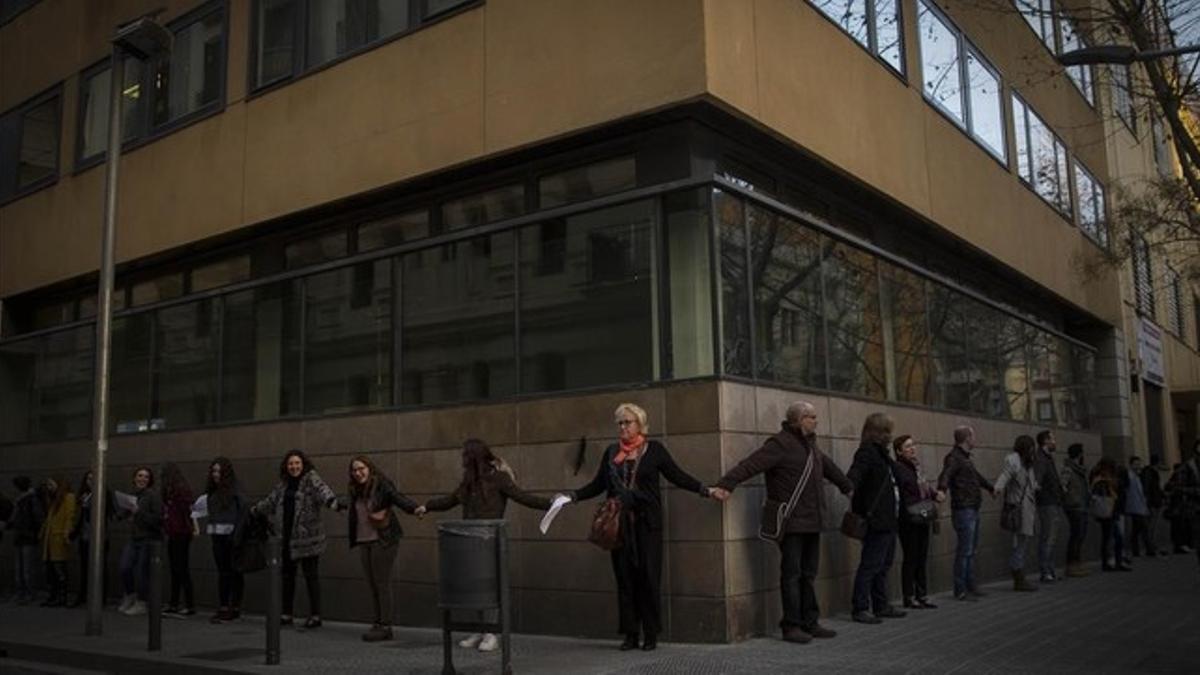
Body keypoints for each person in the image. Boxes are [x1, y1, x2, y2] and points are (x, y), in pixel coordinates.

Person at [570, 403, 711, 652]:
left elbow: (677, 475)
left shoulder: (654, 450)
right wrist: (572, 496)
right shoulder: (612, 452)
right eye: (620, 423)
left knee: (648, 578)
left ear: (640, 424)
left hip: (647, 525)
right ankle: (630, 634)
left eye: (628, 422)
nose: (623, 427)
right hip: (620, 526)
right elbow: (598, 485)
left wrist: (705, 490)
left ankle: (651, 634)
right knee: (625, 579)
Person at [711, 401, 852, 644]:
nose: (816, 421)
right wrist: (726, 484)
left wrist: (847, 486)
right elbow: (751, 464)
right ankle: (791, 625)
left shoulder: (811, 446)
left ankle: (810, 621)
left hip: (813, 520)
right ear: (798, 419)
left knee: (808, 574)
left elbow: (829, 468)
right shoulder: (780, 444)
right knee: (792, 574)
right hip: (792, 522)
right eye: (812, 417)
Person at [419, 439, 554, 652]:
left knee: (490, 585)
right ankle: (480, 630)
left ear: (473, 457)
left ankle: (490, 633)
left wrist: (551, 504)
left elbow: (522, 496)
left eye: (465, 455)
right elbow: (451, 499)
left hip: (491, 539)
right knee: (475, 586)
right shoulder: (469, 481)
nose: (462, 460)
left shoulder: (498, 478)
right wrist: (427, 507)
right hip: (470, 541)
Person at [253, 450, 339, 630]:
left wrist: (334, 503)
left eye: (297, 463)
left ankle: (315, 615)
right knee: (288, 577)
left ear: (303, 464)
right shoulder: (282, 485)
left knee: (311, 577)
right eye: (291, 464)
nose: (294, 467)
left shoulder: (311, 479)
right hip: (286, 538)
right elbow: (270, 502)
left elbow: (323, 491)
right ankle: (287, 614)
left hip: (308, 538)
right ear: (286, 466)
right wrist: (253, 510)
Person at [346, 455, 419, 642]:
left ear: (369, 468)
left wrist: (414, 508)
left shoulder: (381, 485)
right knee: (372, 584)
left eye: (361, 468)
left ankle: (386, 626)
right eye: (354, 470)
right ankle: (377, 623)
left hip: (383, 540)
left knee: (382, 583)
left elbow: (397, 498)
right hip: (364, 540)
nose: (358, 473)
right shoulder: (355, 490)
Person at [845, 413, 905, 623]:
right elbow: (854, 475)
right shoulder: (867, 453)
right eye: (887, 431)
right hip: (876, 520)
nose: (890, 435)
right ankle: (860, 607)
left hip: (888, 520)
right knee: (870, 565)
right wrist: (850, 486)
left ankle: (881, 605)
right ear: (877, 432)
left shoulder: (883, 455)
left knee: (884, 564)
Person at [937, 426, 995, 601]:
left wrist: (990, 488)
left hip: (971, 508)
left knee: (970, 550)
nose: (975, 439)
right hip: (964, 509)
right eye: (973, 436)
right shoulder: (954, 457)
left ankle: (970, 586)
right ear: (967, 438)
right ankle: (960, 589)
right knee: (965, 550)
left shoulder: (965, 459)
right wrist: (941, 490)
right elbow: (945, 474)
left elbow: (976, 477)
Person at [892, 434, 944, 609]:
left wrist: (935, 494)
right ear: (899, 451)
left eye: (913, 445)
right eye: (907, 446)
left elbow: (924, 486)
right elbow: (902, 493)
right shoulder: (898, 468)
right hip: (908, 519)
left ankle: (922, 594)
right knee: (911, 557)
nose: (912, 448)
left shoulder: (916, 466)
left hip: (922, 514)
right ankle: (909, 596)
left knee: (921, 556)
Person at [200, 457, 245, 623]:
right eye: (213, 471)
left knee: (234, 572)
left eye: (219, 471)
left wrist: (237, 535)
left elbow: (243, 511)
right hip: (216, 536)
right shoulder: (212, 491)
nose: (215, 474)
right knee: (223, 572)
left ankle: (234, 607)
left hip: (232, 536)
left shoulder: (234, 490)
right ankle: (224, 606)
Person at [994, 435, 1039, 592]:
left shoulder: (1028, 464)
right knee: (1019, 544)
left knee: (1021, 543)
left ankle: (1019, 576)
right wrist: (997, 488)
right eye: (1031, 447)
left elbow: (1031, 484)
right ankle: (1018, 577)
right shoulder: (1015, 461)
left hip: (1025, 508)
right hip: (1019, 509)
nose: (1034, 450)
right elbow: (1005, 475)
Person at [117, 467, 163, 616]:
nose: (142, 479)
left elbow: (158, 520)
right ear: (134, 478)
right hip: (134, 537)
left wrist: (139, 512)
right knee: (125, 567)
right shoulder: (133, 495)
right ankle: (130, 595)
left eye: (146, 477)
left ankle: (141, 602)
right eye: (140, 476)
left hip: (148, 538)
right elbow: (124, 514)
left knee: (141, 572)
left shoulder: (153, 496)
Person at [71, 470, 114, 608]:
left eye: (93, 479)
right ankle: (82, 595)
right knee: (84, 567)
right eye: (88, 479)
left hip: (100, 537)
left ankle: (102, 598)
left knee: (101, 567)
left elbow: (106, 514)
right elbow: (79, 518)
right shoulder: (83, 495)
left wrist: (89, 505)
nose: (91, 481)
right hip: (85, 536)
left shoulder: (104, 494)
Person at [160, 463, 195, 618]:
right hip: (176, 532)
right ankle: (176, 603)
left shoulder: (179, 493)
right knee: (177, 569)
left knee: (180, 569)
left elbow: (186, 513)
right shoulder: (174, 493)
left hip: (180, 533)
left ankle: (188, 604)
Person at [38, 477, 77, 607]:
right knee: (50, 570)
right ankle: (53, 595)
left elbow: (69, 516)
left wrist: (66, 533)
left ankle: (61, 597)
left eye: (51, 484)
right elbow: (48, 519)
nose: (49, 487)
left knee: (59, 569)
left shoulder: (68, 498)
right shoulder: (54, 500)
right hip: (50, 539)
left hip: (59, 538)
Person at [1032, 430, 1063, 582]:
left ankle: (1050, 569)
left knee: (1050, 537)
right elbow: (1037, 480)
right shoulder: (1041, 459)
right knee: (1048, 537)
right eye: (1053, 439)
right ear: (1046, 441)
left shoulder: (1047, 458)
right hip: (1047, 503)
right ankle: (1046, 571)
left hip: (1051, 501)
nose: (1055, 442)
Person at [1090, 457, 1131, 572]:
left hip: (1110, 510)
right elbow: (1112, 491)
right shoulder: (1102, 478)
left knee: (1111, 537)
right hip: (1108, 510)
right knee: (1113, 537)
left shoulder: (1099, 476)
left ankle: (1113, 561)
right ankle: (1112, 561)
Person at [10, 476, 45, 605]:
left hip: (28, 536)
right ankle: (22, 592)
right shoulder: (21, 499)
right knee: (21, 568)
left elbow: (38, 517)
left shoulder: (31, 499)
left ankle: (29, 593)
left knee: (26, 568)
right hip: (21, 536)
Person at [1059, 444, 1090, 577]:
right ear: (1079, 454)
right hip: (1074, 506)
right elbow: (1063, 485)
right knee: (1076, 535)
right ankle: (1071, 564)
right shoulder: (1069, 469)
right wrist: (1069, 498)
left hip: (1081, 505)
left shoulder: (1079, 470)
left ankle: (1077, 563)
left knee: (1080, 535)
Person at [1126, 456, 1155, 558]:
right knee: (1144, 528)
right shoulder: (1129, 476)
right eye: (1135, 463)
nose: (1138, 465)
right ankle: (1149, 549)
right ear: (1131, 464)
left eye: (1139, 463)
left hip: (1139, 506)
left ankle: (1136, 550)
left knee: (1136, 530)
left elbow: (1141, 493)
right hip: (1134, 506)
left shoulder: (1137, 476)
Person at [1141, 454, 1168, 558]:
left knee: (1152, 527)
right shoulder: (1150, 472)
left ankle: (1152, 547)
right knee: (1152, 527)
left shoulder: (1149, 471)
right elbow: (1149, 488)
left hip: (1153, 502)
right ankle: (1151, 548)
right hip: (1153, 503)